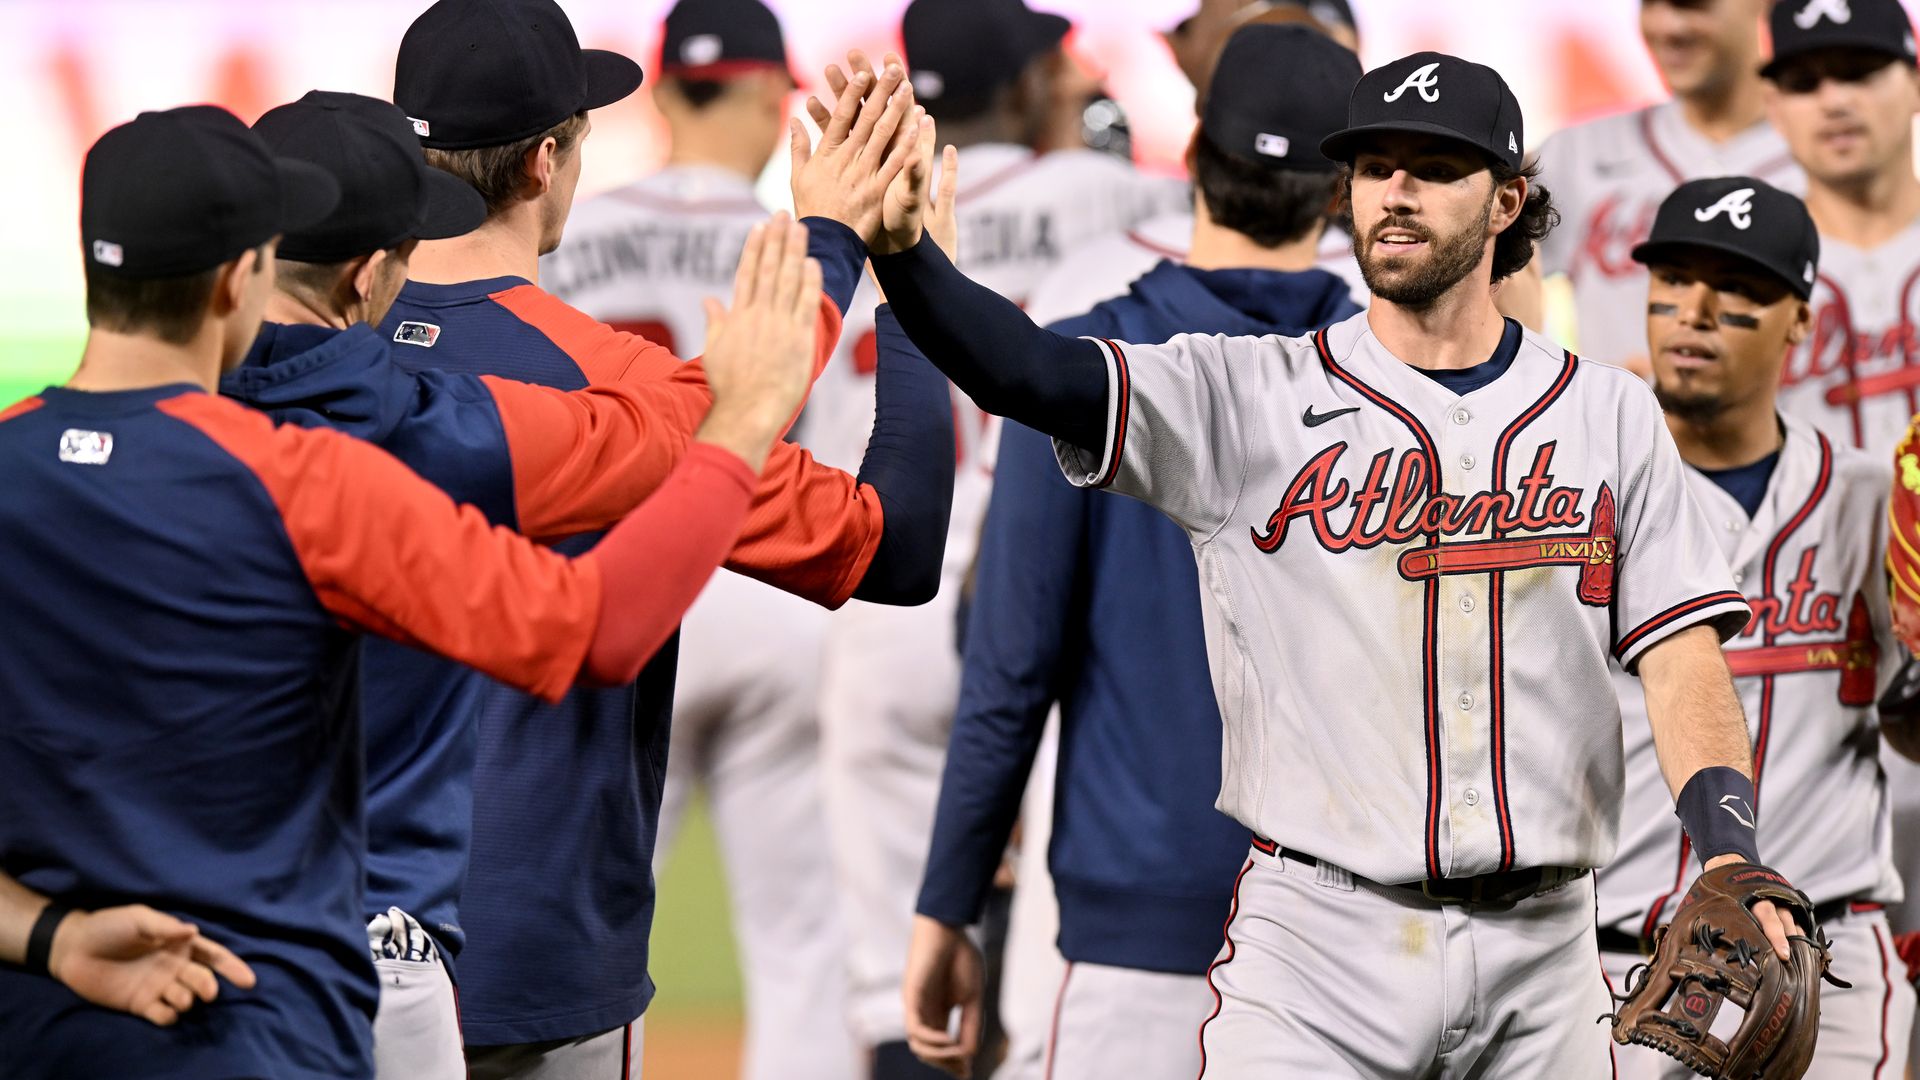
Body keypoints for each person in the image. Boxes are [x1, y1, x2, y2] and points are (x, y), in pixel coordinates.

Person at [835, 48, 1808, 1076]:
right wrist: (907, 263)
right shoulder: (1246, 394)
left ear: (1508, 200)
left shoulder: (1608, 412)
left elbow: (1681, 657)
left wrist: (1730, 843)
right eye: (1373, 164)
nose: (1395, 190)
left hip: (1548, 943)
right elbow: (1027, 371)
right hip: (1316, 947)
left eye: (1433, 167)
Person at [0, 102, 826, 1080]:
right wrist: (738, 430)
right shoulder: (304, 485)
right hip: (268, 1034)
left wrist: (47, 935)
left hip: (41, 1030)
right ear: (237, 279)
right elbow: (596, 631)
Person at [223, 84, 936, 1078]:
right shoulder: (474, 422)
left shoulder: (106, 447)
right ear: (544, 161)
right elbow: (884, 546)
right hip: (519, 964)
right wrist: (854, 257)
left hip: (198, 967)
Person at [904, 26, 1363, 1079]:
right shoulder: (1398, 386)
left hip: (1136, 940)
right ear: (1337, 195)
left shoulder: (1083, 369)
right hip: (1353, 944)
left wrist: (951, 903)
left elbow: (1009, 670)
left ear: (1195, 155)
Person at [799, 8, 1185, 1073]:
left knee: (892, 983)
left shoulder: (854, 210)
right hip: (1048, 595)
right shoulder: (1123, 200)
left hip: (883, 596)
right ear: (1026, 87)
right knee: (1038, 973)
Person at [540, 1, 859, 1077]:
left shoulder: (565, 236)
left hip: (626, 589)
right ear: (779, 99)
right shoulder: (805, 253)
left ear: (666, 91)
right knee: (806, 948)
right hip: (781, 595)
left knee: (592, 928)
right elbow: (854, 453)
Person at [1594, 174, 1917, 1078]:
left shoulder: (1872, 500)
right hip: (1607, 956)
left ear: (1800, 322)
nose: (1695, 311)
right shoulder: (1578, 497)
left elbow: (1911, 726)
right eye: (1676, 278)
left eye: (1738, 287)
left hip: (1826, 961)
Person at [1533, 0, 1800, 371]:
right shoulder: (1576, 153)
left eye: (1691, 5)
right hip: (1620, 429)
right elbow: (1474, 292)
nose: (1667, 27)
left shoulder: (1825, 157)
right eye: (1650, 4)